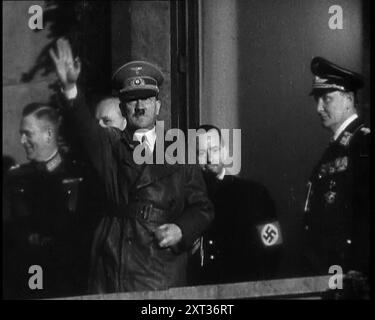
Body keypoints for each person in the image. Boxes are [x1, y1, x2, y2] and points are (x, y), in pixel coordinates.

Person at [49, 38, 214, 293]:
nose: (139, 106)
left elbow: (202, 208)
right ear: (123, 109)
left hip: (160, 266)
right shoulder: (110, 145)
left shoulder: (180, 149)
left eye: (146, 98)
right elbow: (86, 129)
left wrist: (182, 229)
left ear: (158, 105)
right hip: (115, 262)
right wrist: (71, 88)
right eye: (132, 100)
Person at [3, 103, 97, 299]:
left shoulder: (79, 174)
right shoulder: (15, 179)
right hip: (28, 275)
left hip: (71, 277)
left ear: (48, 135)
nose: (22, 140)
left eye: (28, 134)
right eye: (21, 134)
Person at [302, 57, 370, 280]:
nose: (319, 108)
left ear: (349, 100)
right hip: (329, 272)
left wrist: (360, 265)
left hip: (353, 274)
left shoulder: (363, 143)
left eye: (326, 99)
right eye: (317, 100)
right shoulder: (334, 151)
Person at [189, 124, 283, 285]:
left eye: (215, 150)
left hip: (244, 288)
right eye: (202, 153)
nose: (210, 159)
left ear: (225, 152)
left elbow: (273, 246)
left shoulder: (254, 193)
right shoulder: (185, 198)